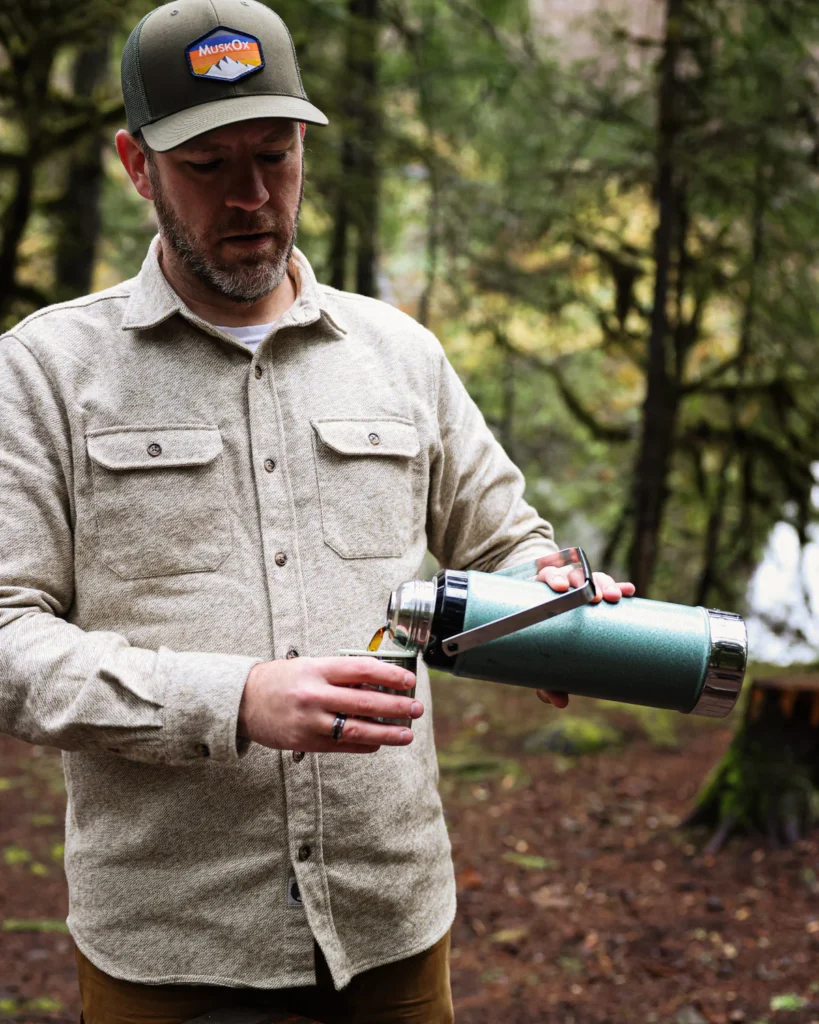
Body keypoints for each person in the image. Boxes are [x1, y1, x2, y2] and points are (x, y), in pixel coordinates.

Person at [0, 1, 634, 1021]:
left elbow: (506, 542)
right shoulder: (46, 371)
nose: (251, 195)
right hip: (173, 944)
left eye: (276, 155)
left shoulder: (400, 355)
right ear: (136, 165)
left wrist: (547, 603)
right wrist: (233, 698)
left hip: (391, 924)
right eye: (207, 163)